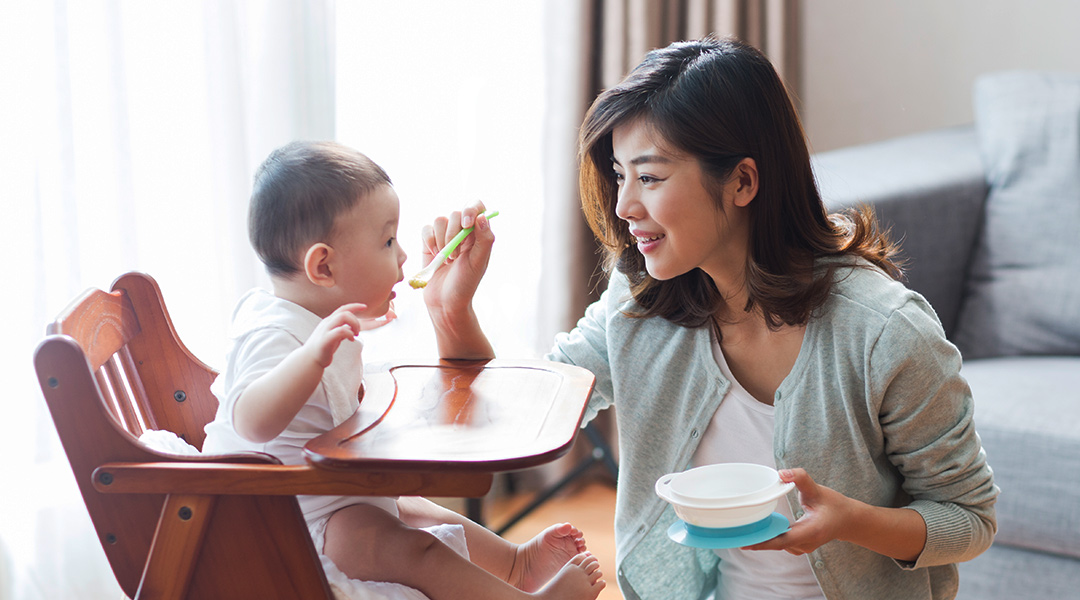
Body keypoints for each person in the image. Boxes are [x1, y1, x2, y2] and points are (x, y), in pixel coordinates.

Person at [421, 37, 998, 600]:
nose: (623, 206)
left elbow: (969, 517)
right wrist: (452, 310)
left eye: (649, 177)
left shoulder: (884, 332)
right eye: (619, 175)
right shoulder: (640, 302)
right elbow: (528, 414)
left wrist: (852, 521)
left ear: (742, 181)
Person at [201, 141, 606, 600]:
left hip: (331, 501)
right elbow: (249, 422)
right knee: (414, 548)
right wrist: (311, 357)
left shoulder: (314, 319)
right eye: (388, 241)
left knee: (410, 507)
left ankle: (516, 564)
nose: (403, 256)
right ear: (323, 265)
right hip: (288, 527)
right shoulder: (273, 333)